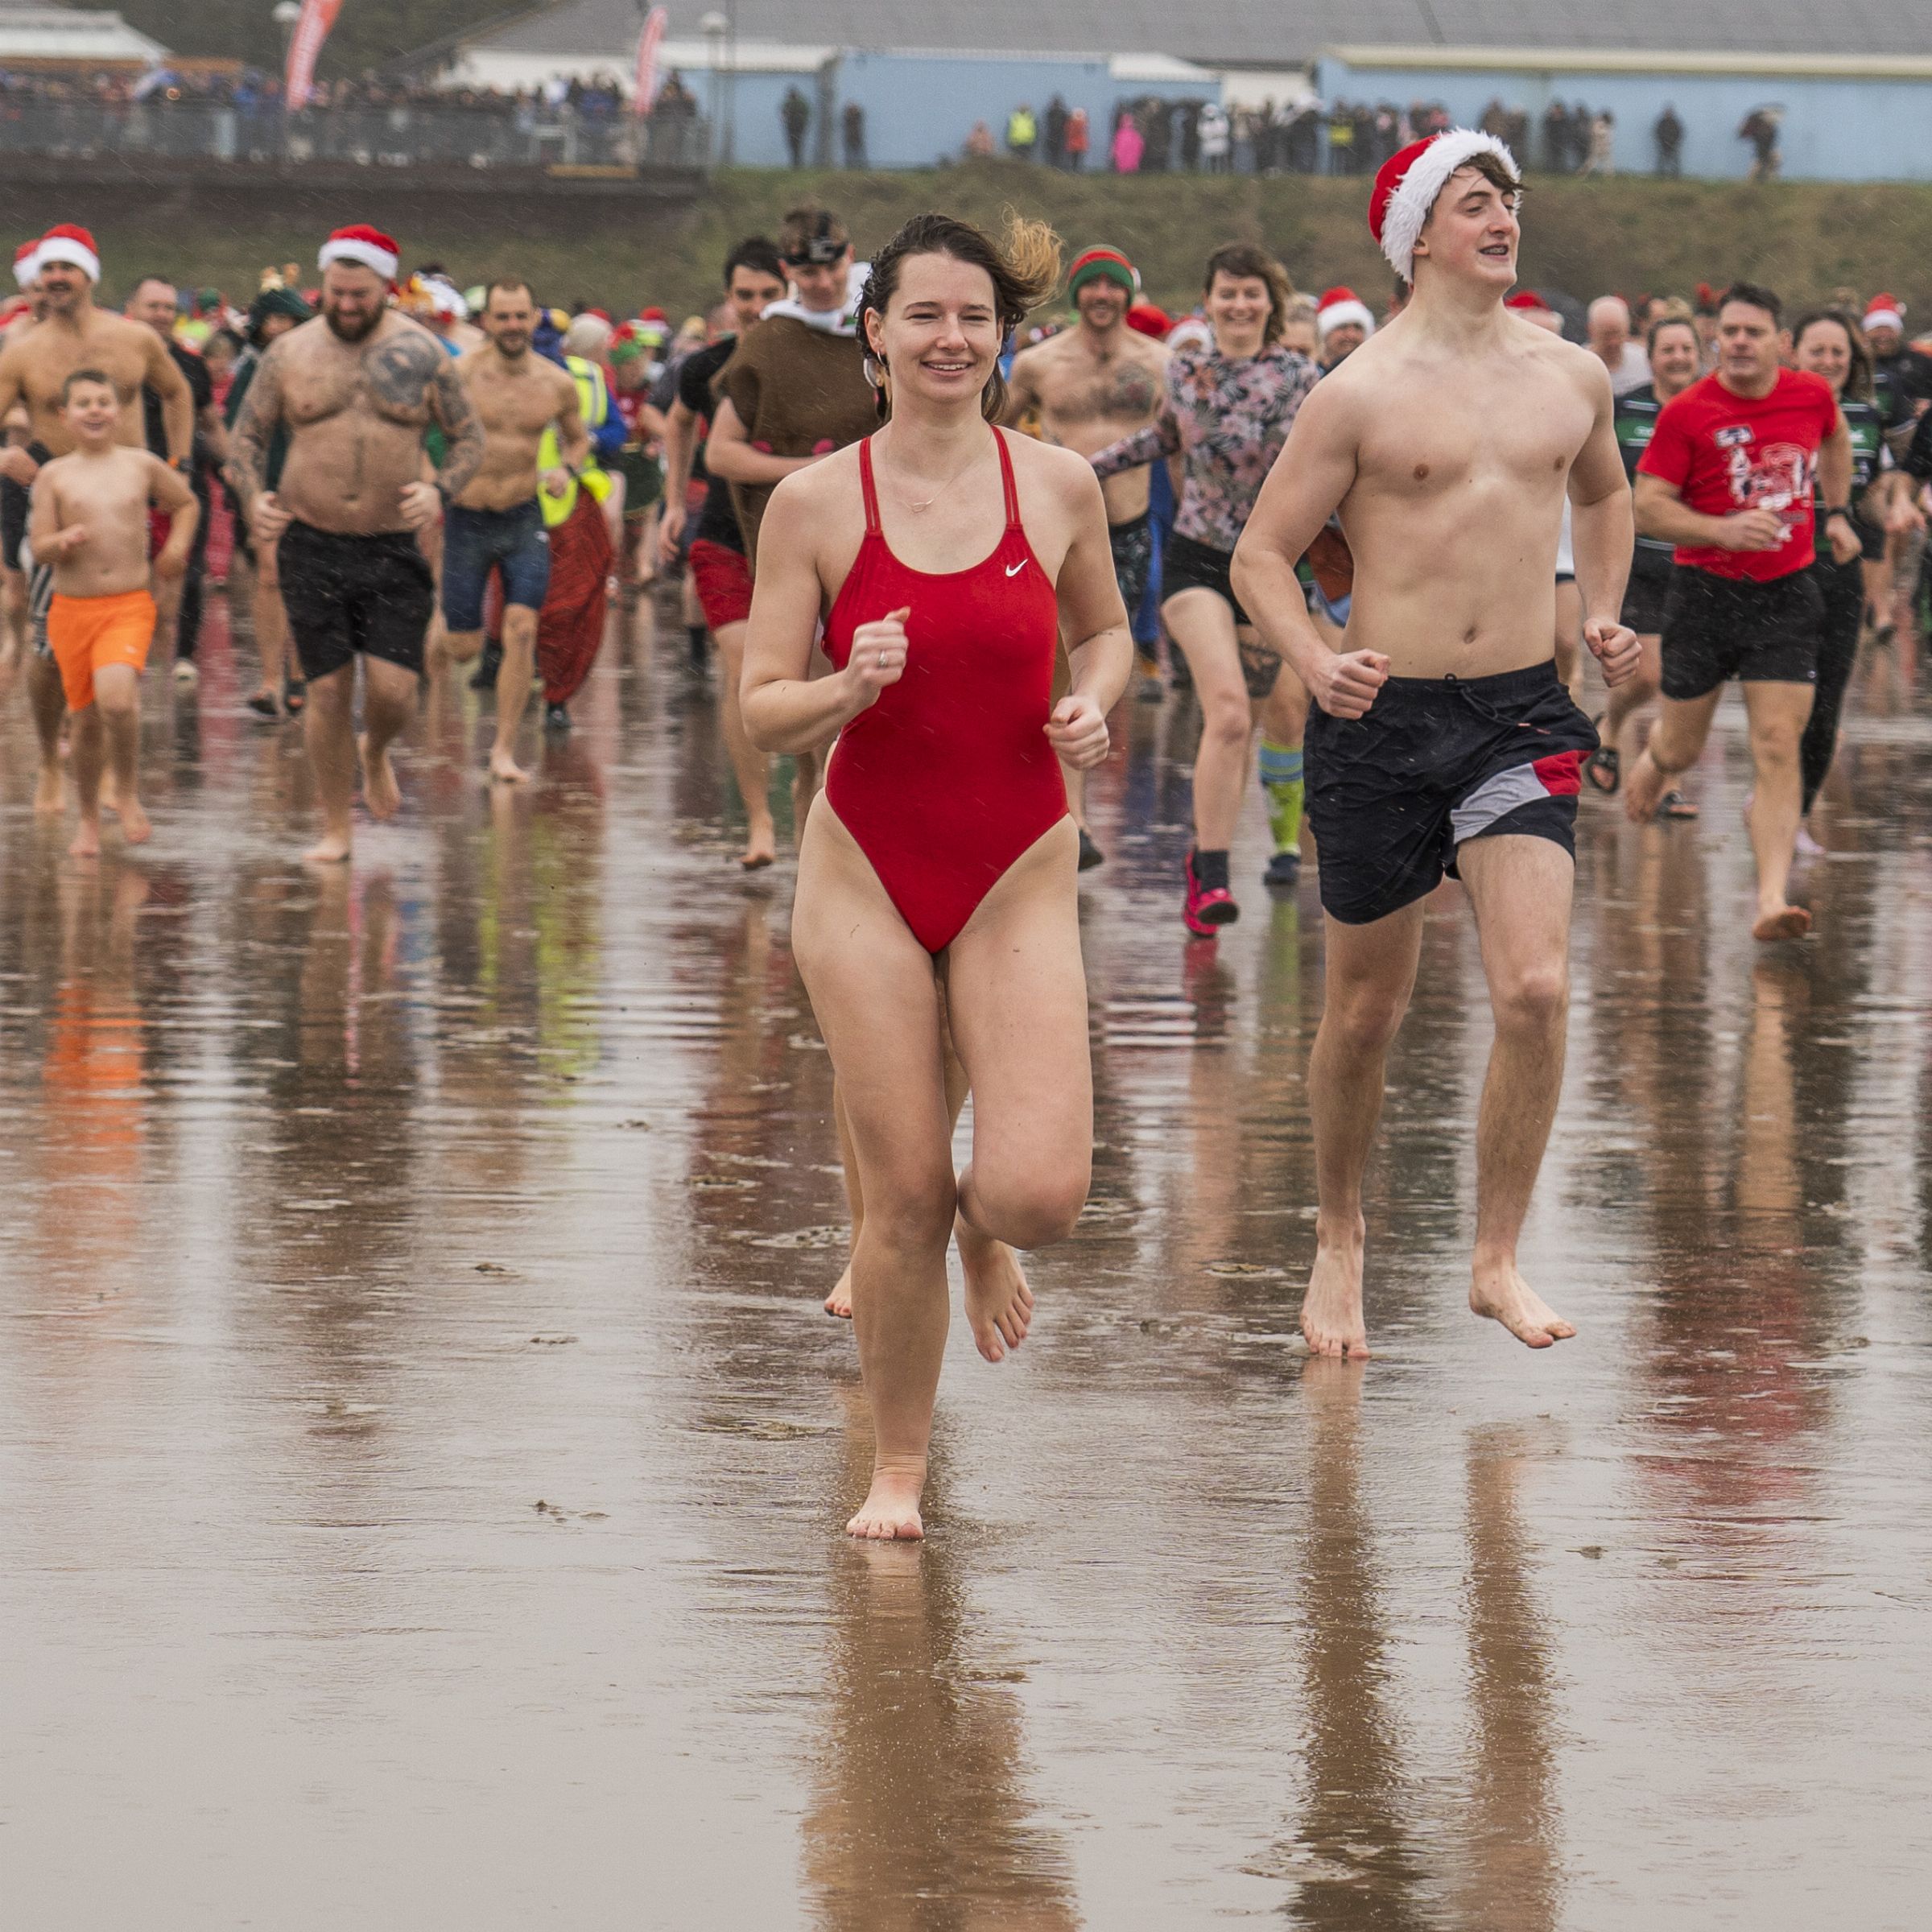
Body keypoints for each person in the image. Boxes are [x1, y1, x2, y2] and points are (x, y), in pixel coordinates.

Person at [740, 211, 1131, 1538]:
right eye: (924, 315)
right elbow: (760, 709)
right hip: (864, 865)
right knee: (902, 1190)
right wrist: (842, 690)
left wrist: (1094, 704)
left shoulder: (1057, 485)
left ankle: (985, 1233)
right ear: (877, 332)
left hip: (1017, 859)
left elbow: (1110, 635)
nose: (951, 338)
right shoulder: (815, 503)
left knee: (1037, 1193)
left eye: (974, 317)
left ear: (1002, 335)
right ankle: (897, 1468)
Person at [1231, 128, 1641, 1358]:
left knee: (1536, 988)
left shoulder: (1571, 376)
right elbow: (1260, 557)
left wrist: (1607, 609)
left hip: (1519, 713)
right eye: (1473, 201)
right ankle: (1340, 1234)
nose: (1502, 217)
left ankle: (1495, 1258)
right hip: (1380, 718)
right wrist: (1316, 661)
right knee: (1366, 1013)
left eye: (1508, 197)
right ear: (1416, 237)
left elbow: (1605, 493)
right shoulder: (1355, 393)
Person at [226, 225, 485, 863]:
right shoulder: (289, 354)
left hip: (392, 543)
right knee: (328, 691)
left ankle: (375, 750)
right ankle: (336, 827)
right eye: (335, 293)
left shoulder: (423, 353)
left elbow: (469, 439)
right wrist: (254, 497)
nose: (345, 305)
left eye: (358, 295)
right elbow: (246, 437)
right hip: (311, 541)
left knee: (395, 693)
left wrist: (441, 492)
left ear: (387, 289)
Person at [1623, 283, 1856, 941]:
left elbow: (1836, 440)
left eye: (1754, 332)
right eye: (1730, 332)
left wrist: (1837, 512)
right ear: (1715, 339)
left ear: (1782, 343)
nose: (1741, 342)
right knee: (1683, 746)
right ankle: (1656, 758)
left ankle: (1771, 898)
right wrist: (1722, 531)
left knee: (1778, 744)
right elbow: (1647, 505)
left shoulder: (1811, 395)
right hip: (1703, 596)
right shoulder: (1688, 412)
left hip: (1785, 594)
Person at [1092, 242, 1319, 917]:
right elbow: (1161, 439)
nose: (1240, 304)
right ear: (1209, 301)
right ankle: (1213, 875)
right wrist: (1081, 469)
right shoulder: (1186, 370)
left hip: (1270, 563)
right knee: (1226, 708)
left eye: (1252, 293)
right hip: (1197, 557)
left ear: (1270, 303)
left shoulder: (1302, 378)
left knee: (1243, 726)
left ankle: (1206, 855)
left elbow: (1330, 462)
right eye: (1228, 292)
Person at [0, 224, 192, 815]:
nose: (56, 278)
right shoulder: (23, 351)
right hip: (57, 506)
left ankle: (108, 766)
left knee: (120, 647)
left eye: (67, 268)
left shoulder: (133, 339)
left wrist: (177, 464)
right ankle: (49, 761)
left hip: (127, 506)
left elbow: (177, 392)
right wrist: (4, 457)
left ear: (89, 274)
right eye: (48, 269)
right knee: (47, 653)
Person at [1005, 245, 1170, 801]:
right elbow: (990, 431)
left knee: (1104, 662)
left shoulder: (1161, 362)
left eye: (1113, 285)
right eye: (1092, 285)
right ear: (1077, 295)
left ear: (1128, 294)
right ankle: (1068, 809)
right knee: (1056, 661)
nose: (1103, 295)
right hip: (1057, 527)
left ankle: (1083, 794)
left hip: (1128, 527)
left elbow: (1182, 444)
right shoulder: (1039, 363)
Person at [29, 368, 197, 857]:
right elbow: (39, 546)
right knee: (85, 723)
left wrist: (176, 548)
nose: (95, 411)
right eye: (83, 403)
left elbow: (186, 503)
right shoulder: (54, 475)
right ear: (64, 415)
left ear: (120, 412)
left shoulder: (141, 465)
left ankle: (125, 789)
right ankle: (87, 819)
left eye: (103, 402)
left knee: (118, 700)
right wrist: (60, 541)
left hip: (127, 605)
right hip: (72, 610)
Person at [658, 237, 789, 865]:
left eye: (769, 294)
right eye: (745, 295)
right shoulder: (705, 367)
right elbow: (678, 422)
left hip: (799, 541)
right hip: (724, 534)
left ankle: (816, 803)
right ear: (728, 298)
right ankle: (758, 819)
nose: (757, 306)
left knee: (816, 677)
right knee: (742, 671)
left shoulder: (817, 364)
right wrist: (672, 503)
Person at [441, 279, 588, 783]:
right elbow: (421, 431)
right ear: (486, 321)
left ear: (534, 319)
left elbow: (577, 440)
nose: (512, 326)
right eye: (502, 317)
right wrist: (430, 481)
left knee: (523, 628)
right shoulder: (460, 374)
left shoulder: (556, 383)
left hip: (523, 516)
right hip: (466, 516)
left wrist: (565, 470)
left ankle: (503, 750)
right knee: (462, 647)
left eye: (520, 316)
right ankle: (443, 641)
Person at [707, 206, 877, 574]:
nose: (825, 283)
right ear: (787, 271)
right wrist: (810, 469)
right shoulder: (768, 342)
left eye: (833, 267)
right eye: (809, 272)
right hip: (797, 539)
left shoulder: (882, 327)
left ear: (850, 255)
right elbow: (720, 453)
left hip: (879, 529)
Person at [1586, 308, 1703, 811]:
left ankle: (1668, 780)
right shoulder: (1624, 410)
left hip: (1698, 566)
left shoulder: (1714, 410)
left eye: (1686, 349)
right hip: (1640, 563)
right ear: (1650, 357)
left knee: (1684, 681)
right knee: (1651, 676)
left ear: (1699, 356)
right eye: (1668, 349)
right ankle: (1611, 724)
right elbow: (1599, 484)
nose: (1678, 358)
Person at [1789, 308, 1899, 840]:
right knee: (1785, 698)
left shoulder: (1866, 416)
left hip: (1840, 572)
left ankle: (1797, 814)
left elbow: (1870, 497)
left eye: (1839, 352)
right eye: (1818, 350)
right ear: (1795, 353)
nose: (1829, 360)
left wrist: (1897, 510)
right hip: (1780, 571)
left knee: (1827, 702)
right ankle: (1773, 795)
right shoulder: (1771, 406)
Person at [125, 274, 221, 683]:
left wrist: (230, 468)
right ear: (132, 309)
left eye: (168, 307)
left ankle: (184, 656)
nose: (162, 314)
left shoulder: (191, 364)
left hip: (183, 476)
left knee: (190, 568)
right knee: (131, 568)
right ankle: (134, 651)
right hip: (128, 478)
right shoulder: (117, 358)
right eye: (154, 306)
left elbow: (210, 423)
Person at [225, 286, 312, 719]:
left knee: (308, 580)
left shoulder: (317, 363)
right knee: (271, 575)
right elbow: (238, 434)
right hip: (267, 486)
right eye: (275, 320)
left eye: (290, 321)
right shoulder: (252, 369)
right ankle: (270, 678)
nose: (281, 329)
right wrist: (248, 492)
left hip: (314, 484)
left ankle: (301, 672)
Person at [1587, 295, 1650, 395]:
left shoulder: (1645, 362)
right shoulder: (1578, 365)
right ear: (1591, 331)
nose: (1613, 342)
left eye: (1618, 334)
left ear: (1627, 329)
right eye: (1606, 335)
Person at [1315, 285, 1374, 369]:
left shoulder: (1376, 372)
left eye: (1357, 327)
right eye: (1343, 327)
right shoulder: (1310, 374)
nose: (1351, 335)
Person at [781, 85, 810, 170]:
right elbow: (784, 114)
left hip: (795, 126)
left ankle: (797, 163)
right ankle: (796, 163)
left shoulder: (791, 103)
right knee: (797, 145)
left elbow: (784, 115)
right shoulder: (800, 103)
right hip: (796, 126)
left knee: (795, 145)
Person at [1653, 104, 1683, 176]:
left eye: (1669, 113)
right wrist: (1663, 141)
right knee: (1662, 160)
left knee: (1674, 161)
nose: (1668, 115)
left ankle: (1675, 175)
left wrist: (1674, 142)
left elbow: (1679, 133)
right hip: (1663, 145)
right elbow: (1658, 132)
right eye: (1667, 113)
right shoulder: (1662, 123)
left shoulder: (1675, 123)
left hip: (1673, 145)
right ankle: (1660, 174)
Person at [841, 101, 866, 170]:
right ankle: (850, 165)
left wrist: (855, 112)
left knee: (858, 151)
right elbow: (846, 120)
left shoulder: (857, 117)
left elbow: (860, 116)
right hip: (850, 136)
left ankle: (861, 165)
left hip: (856, 135)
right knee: (849, 152)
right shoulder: (848, 118)